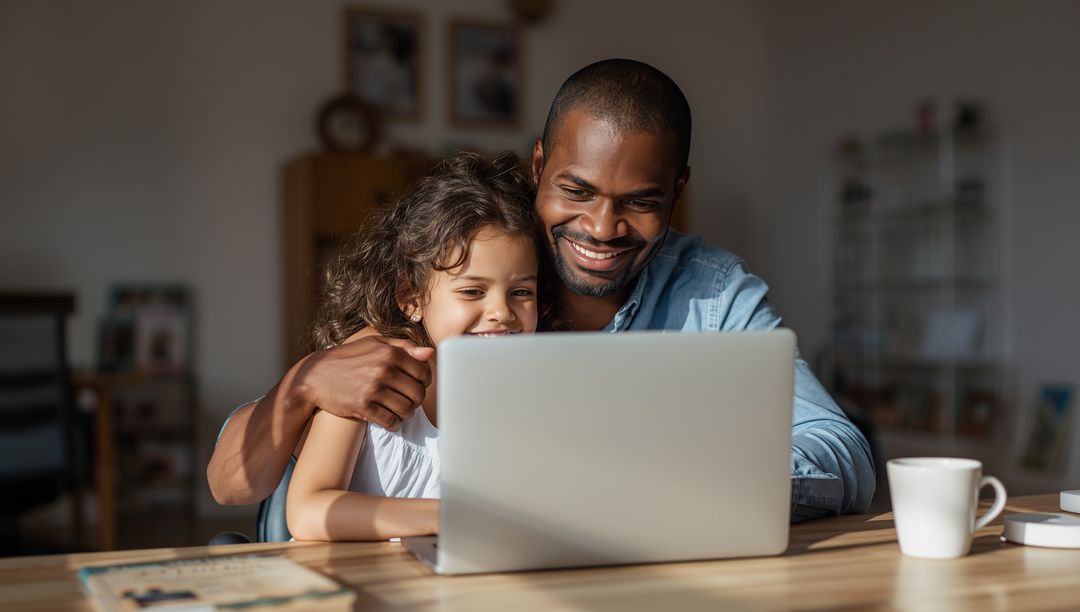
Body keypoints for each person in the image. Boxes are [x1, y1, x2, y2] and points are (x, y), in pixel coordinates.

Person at [208, 59, 875, 523]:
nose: (602, 229)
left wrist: (680, 483)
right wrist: (302, 385)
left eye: (639, 202)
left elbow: (842, 456)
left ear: (678, 191)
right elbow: (241, 484)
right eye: (576, 191)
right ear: (539, 167)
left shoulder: (713, 294)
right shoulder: (478, 252)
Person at [286, 151, 541, 540]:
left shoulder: (529, 389)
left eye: (521, 291)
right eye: (473, 291)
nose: (502, 313)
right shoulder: (369, 375)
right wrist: (452, 517)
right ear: (412, 299)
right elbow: (308, 511)